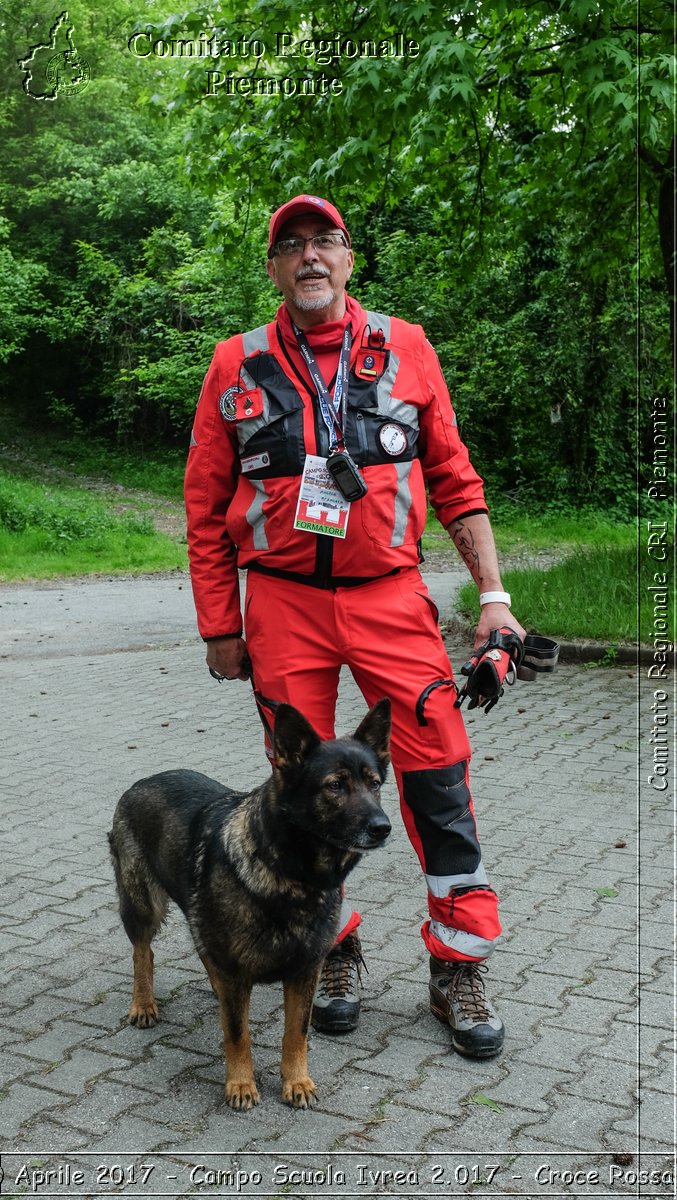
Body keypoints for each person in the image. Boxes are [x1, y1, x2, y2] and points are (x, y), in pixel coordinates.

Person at [185, 193, 526, 1059]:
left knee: (438, 773)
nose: (308, 256)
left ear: (347, 258)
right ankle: (330, 950)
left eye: (323, 242)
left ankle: (457, 964)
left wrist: (493, 598)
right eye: (289, 244)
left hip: (389, 596)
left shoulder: (405, 347)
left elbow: (453, 476)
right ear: (271, 267)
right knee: (302, 787)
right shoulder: (235, 362)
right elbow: (202, 502)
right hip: (282, 602)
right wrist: (219, 622)